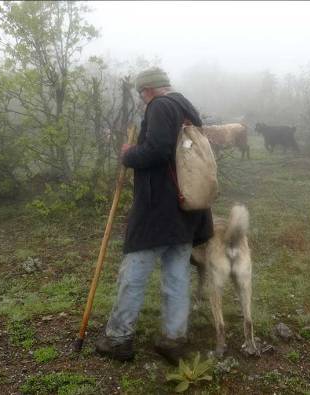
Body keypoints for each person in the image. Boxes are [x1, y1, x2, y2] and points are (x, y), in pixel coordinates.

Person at [95, 67, 213, 364]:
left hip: (158, 209)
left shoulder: (160, 106)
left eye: (140, 93)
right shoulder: (186, 107)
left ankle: (119, 338)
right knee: (176, 273)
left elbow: (158, 150)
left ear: (148, 90)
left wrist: (128, 154)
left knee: (134, 271)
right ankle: (173, 340)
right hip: (186, 209)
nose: (141, 99)